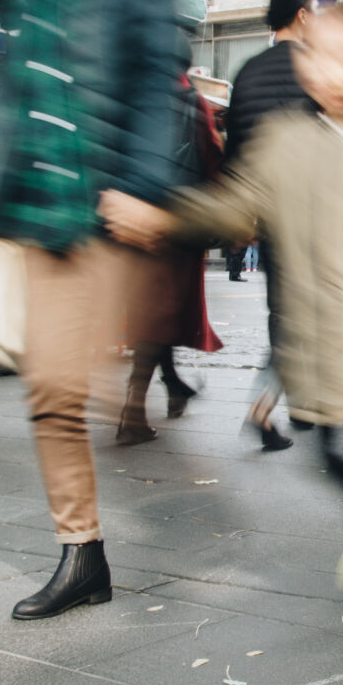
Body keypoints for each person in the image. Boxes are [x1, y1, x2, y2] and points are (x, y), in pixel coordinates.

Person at [112, 0, 343, 648]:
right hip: (314, 329)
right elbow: (236, 202)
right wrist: (163, 217)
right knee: (313, 446)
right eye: (315, 56)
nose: (328, 72)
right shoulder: (285, 137)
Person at [0, 0, 199, 621]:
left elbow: (156, 83)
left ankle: (133, 385)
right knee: (50, 387)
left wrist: (144, 181)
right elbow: (13, 93)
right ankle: (84, 553)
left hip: (106, 203)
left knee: (71, 377)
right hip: (36, 204)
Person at [222, 0, 321, 451]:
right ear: (302, 14)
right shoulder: (314, 68)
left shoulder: (248, 71)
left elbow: (236, 148)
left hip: (269, 214)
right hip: (313, 212)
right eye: (315, 12)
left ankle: (299, 404)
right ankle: (268, 406)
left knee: (284, 312)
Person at [115, 92, 224, 445]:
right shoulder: (191, 103)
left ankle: (174, 385)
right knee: (161, 316)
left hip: (132, 218)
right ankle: (133, 410)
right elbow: (211, 159)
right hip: (177, 223)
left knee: (152, 312)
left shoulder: (133, 94)